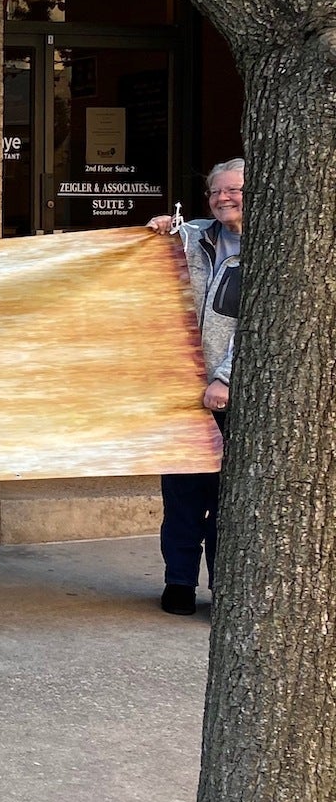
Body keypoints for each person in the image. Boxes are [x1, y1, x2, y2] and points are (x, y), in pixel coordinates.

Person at [147, 159, 242, 615]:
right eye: (215, 192)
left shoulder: (275, 248)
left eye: (234, 190)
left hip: (234, 398)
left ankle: (222, 589)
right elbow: (149, 269)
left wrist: (226, 377)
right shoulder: (195, 236)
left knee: (227, 501)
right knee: (182, 497)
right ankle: (179, 582)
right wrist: (156, 231)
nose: (223, 198)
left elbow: (260, 326)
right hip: (182, 395)